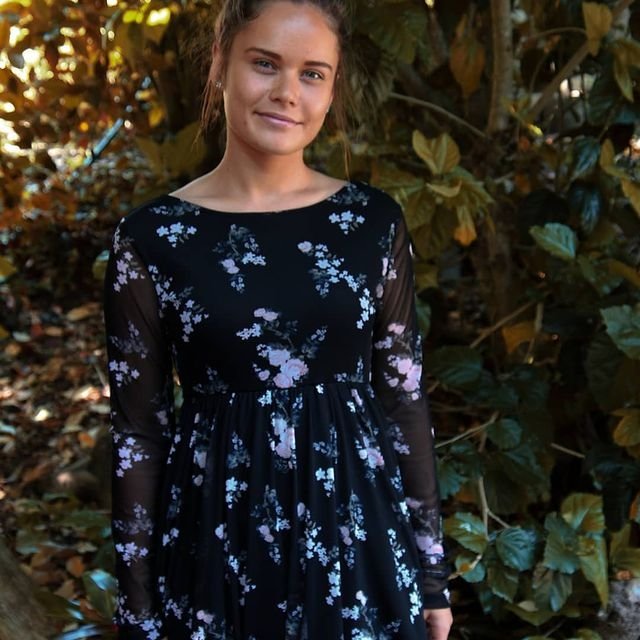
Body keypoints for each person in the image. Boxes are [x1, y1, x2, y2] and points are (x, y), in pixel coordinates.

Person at [103, 0, 453, 638]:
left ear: (332, 89)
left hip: (360, 549)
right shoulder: (151, 239)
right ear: (220, 63)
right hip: (213, 554)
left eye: (312, 73)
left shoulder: (372, 223)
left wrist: (431, 576)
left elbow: (402, 400)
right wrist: (137, 609)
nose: (288, 92)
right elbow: (138, 433)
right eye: (265, 64)